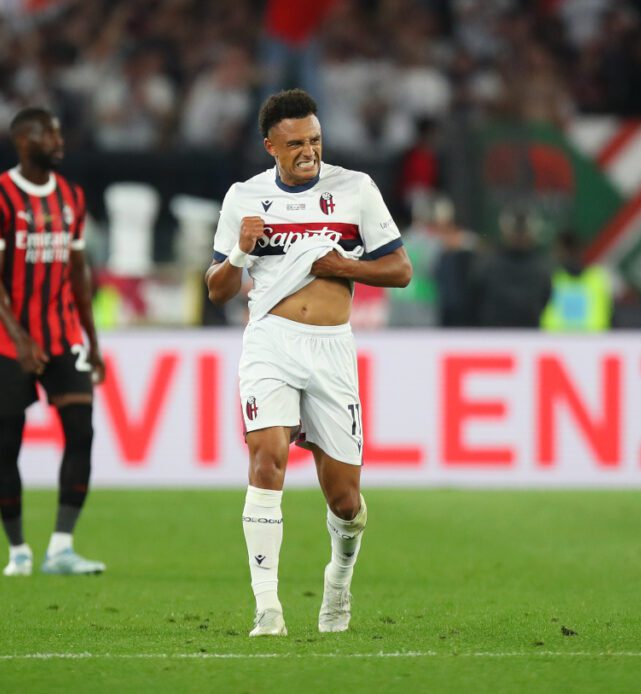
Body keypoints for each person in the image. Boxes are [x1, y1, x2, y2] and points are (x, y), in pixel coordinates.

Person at [205, 89, 412, 637]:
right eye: (296, 143)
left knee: (345, 501)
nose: (308, 152)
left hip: (331, 348)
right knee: (266, 457)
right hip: (270, 339)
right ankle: (267, 606)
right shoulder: (243, 198)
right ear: (270, 145)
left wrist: (346, 265)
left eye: (315, 140)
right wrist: (238, 254)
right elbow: (217, 289)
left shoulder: (355, 189)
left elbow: (400, 270)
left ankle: (339, 580)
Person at [0, 107, 106, 577]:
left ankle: (61, 548)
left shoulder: (71, 197)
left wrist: (92, 340)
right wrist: (20, 337)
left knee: (82, 432)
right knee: (9, 442)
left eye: (57, 130)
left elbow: (78, 275)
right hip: (7, 341)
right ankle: (18, 551)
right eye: (48, 133)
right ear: (23, 141)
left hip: (62, 333)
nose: (58, 139)